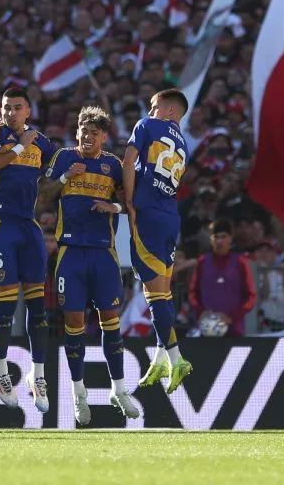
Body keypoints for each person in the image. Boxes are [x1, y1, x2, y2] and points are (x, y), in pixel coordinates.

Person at [45, 106, 140, 425]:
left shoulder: (113, 165)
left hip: (103, 253)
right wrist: (62, 178)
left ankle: (119, 388)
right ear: (77, 133)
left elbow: (129, 202)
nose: (88, 136)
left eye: (95, 133)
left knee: (110, 319)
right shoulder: (63, 158)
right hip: (71, 252)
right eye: (84, 131)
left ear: (104, 137)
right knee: (73, 322)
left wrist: (111, 205)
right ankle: (78, 393)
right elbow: (41, 196)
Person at [0, 87, 57, 411]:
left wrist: (66, 178)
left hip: (27, 224)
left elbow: (51, 179)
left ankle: (37, 376)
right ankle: (0, 371)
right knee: (7, 304)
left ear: (28, 111)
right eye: (6, 107)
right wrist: (20, 145)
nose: (10, 113)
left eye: (17, 107)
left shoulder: (41, 142)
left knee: (39, 307)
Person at [123, 88, 193, 393]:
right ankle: (161, 358)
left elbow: (128, 160)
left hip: (148, 214)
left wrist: (128, 200)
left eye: (155, 106)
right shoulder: (184, 145)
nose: (151, 111)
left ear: (170, 111)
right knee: (161, 290)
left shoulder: (147, 125)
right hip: (169, 216)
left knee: (154, 294)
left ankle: (176, 358)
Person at [188, 218, 257, 337]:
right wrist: (201, 312)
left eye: (223, 237)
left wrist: (232, 317)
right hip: (207, 329)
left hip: (234, 330)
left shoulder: (241, 263)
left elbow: (251, 296)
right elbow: (193, 293)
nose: (219, 241)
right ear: (211, 239)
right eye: (216, 237)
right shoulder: (203, 262)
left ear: (230, 238)